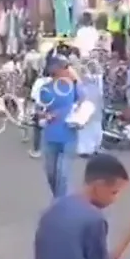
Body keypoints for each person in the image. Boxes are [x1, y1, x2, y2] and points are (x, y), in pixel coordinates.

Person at [38, 56, 80, 198]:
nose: (68, 70)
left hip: (69, 136)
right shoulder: (46, 89)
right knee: (51, 174)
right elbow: (38, 111)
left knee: (62, 175)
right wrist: (45, 116)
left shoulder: (74, 87)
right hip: (51, 136)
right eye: (65, 67)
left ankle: (59, 203)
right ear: (55, 69)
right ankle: (58, 199)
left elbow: (86, 103)